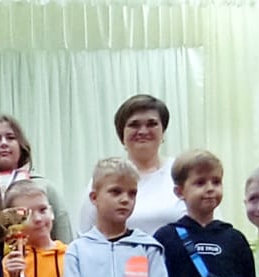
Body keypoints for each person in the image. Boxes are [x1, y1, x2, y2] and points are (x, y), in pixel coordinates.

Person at [76, 94, 184, 235]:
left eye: (152, 124)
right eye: (134, 125)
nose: (143, 131)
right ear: (122, 135)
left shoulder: (183, 171)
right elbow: (84, 233)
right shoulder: (105, 177)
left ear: (163, 131)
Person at [0, 114, 73, 243]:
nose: (4, 143)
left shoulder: (45, 187)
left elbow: (63, 234)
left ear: (21, 145)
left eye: (11, 137)